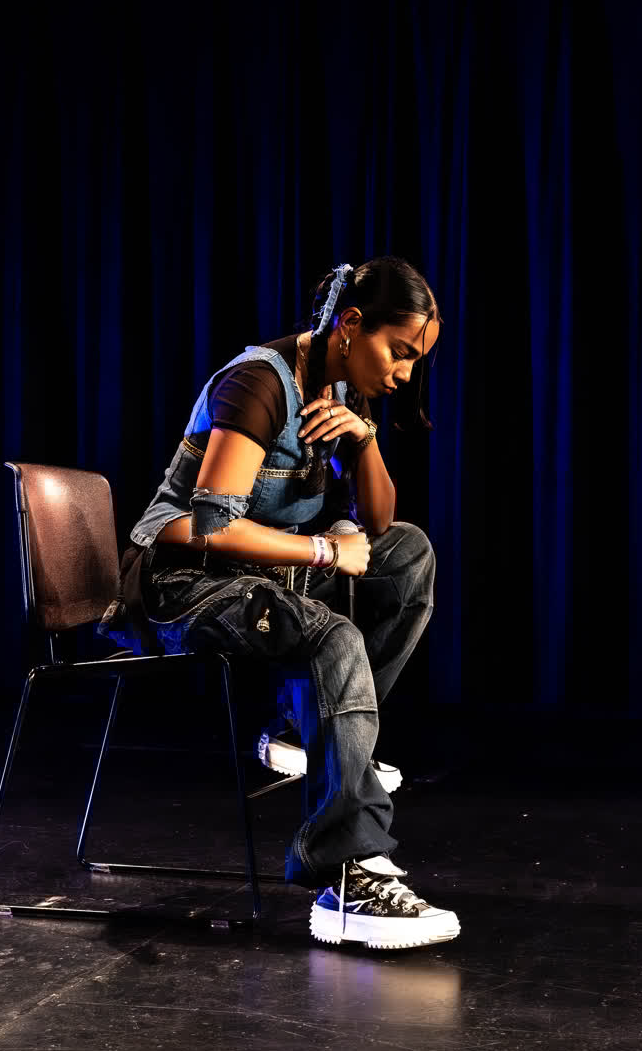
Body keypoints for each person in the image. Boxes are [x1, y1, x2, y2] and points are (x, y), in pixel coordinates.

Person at [109, 257, 459, 950]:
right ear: (352, 326)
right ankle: (345, 873)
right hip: (182, 583)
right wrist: (326, 552)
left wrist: (364, 441)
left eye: (416, 361)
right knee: (333, 637)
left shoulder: (341, 391)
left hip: (257, 579)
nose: (404, 375)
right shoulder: (259, 384)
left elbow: (382, 527)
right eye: (401, 352)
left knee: (408, 558)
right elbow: (208, 526)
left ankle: (303, 735)